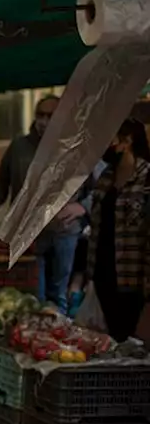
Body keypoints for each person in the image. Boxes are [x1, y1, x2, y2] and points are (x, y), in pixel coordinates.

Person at [0, 96, 90, 310]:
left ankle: (58, 340)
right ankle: (38, 337)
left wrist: (83, 206)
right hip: (30, 235)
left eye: (51, 116)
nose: (44, 121)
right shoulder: (19, 147)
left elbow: (101, 184)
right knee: (35, 298)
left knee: (59, 296)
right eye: (40, 115)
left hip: (64, 233)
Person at [85, 119, 150, 340]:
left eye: (108, 139)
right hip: (104, 275)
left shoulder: (147, 178)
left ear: (127, 140)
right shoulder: (106, 177)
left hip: (133, 281)